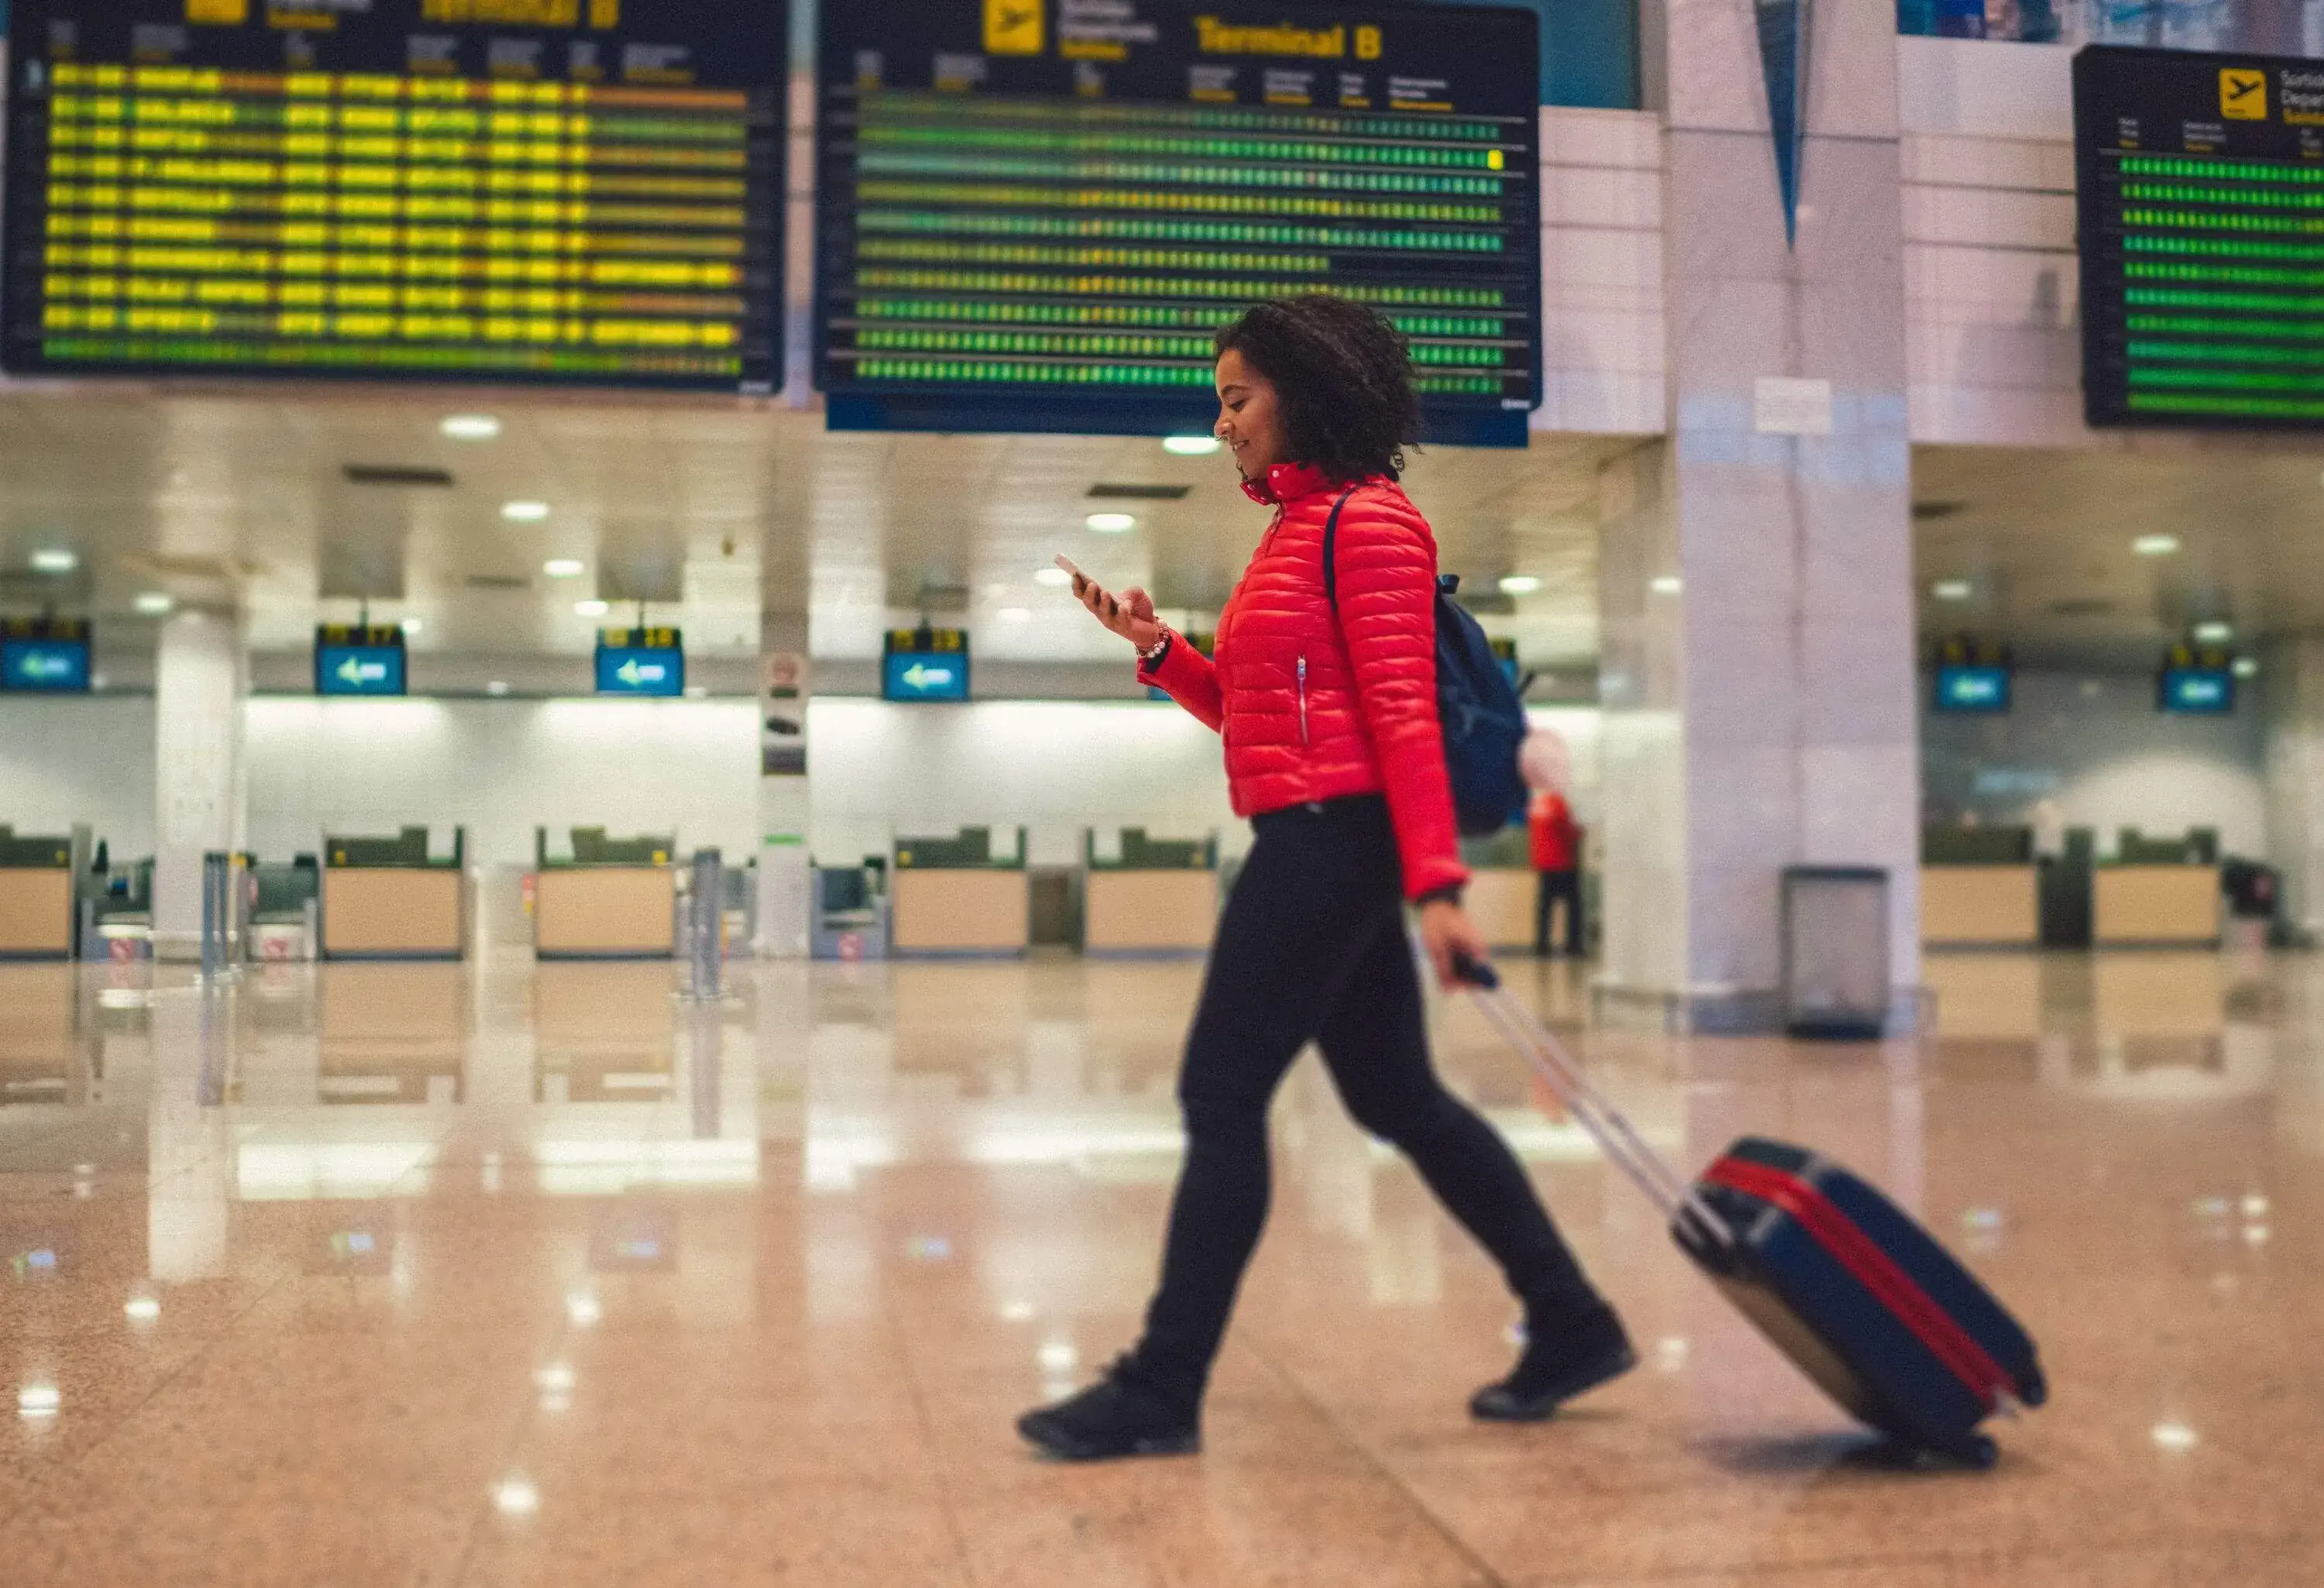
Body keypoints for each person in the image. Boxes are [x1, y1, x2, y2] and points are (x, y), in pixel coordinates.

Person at [1018, 294, 1632, 1463]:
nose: (1224, 422)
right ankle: (1573, 1317)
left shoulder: (1372, 524)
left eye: (1238, 397)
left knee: (1220, 1097)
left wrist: (1440, 885)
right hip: (1314, 825)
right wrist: (1160, 652)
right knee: (1398, 1098)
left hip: (1329, 841)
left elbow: (1403, 714)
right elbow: (1258, 716)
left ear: (1307, 391)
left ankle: (1162, 1383)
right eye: (1221, 401)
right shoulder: (1291, 534)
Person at [1529, 788, 1584, 957]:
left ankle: (1542, 945)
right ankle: (1573, 945)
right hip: (1563, 862)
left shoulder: (1538, 805)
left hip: (1544, 863)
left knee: (1545, 907)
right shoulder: (1559, 805)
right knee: (1574, 906)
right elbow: (1572, 831)